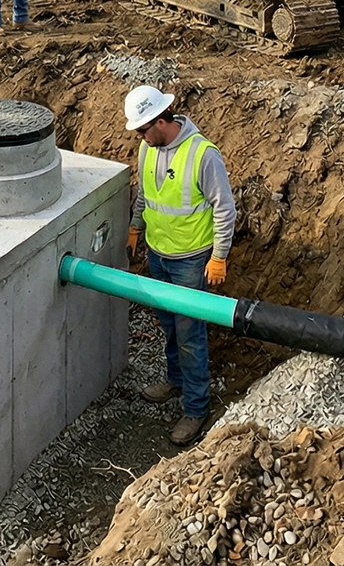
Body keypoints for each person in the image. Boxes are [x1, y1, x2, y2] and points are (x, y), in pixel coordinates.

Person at [122, 84, 236, 446]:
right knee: (170, 326)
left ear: (160, 120)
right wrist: (135, 228)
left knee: (190, 335)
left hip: (191, 260)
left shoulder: (203, 155)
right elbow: (145, 193)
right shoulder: (148, 147)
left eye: (142, 129)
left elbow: (224, 208)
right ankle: (175, 379)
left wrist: (219, 256)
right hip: (159, 255)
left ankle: (196, 408)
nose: (139, 137)